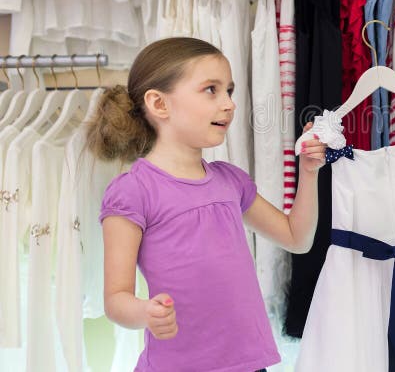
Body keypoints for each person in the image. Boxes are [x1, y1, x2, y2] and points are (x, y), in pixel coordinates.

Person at [88, 37, 327, 372]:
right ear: (159, 104)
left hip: (247, 365)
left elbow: (296, 238)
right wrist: (146, 312)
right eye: (211, 90)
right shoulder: (132, 192)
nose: (229, 104)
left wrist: (309, 172)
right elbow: (115, 300)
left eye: (229, 91)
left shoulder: (229, 181)